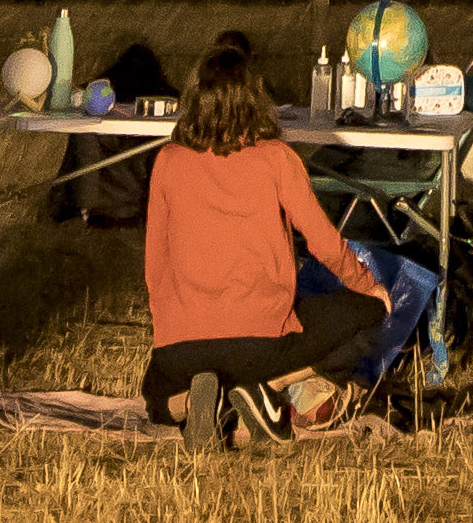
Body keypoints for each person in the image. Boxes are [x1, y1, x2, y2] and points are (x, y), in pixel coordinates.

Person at [138, 32, 401, 448]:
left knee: (155, 395)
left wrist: (171, 331)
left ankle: (195, 402)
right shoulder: (277, 157)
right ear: (255, 98)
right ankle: (264, 387)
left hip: (183, 345)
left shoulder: (168, 161)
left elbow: (155, 263)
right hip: (262, 345)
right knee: (369, 312)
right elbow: (323, 241)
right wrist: (368, 286)